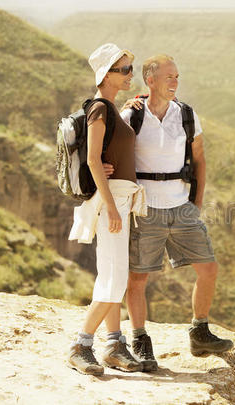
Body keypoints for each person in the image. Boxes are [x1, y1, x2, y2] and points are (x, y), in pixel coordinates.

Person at [117, 54, 233, 370]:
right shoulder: (131, 116)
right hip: (145, 208)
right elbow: (112, 155)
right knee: (138, 278)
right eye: (168, 76)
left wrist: (196, 202)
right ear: (149, 80)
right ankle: (140, 339)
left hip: (181, 206)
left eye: (177, 76)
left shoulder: (187, 115)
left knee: (208, 269)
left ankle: (199, 331)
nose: (175, 82)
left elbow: (200, 160)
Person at [67, 43, 146, 376]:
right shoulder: (100, 108)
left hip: (119, 198)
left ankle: (113, 344)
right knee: (114, 277)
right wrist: (112, 208)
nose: (131, 74)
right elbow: (92, 159)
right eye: (125, 69)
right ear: (107, 74)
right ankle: (80, 346)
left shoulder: (109, 108)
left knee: (114, 273)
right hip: (111, 200)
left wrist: (123, 112)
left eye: (130, 68)